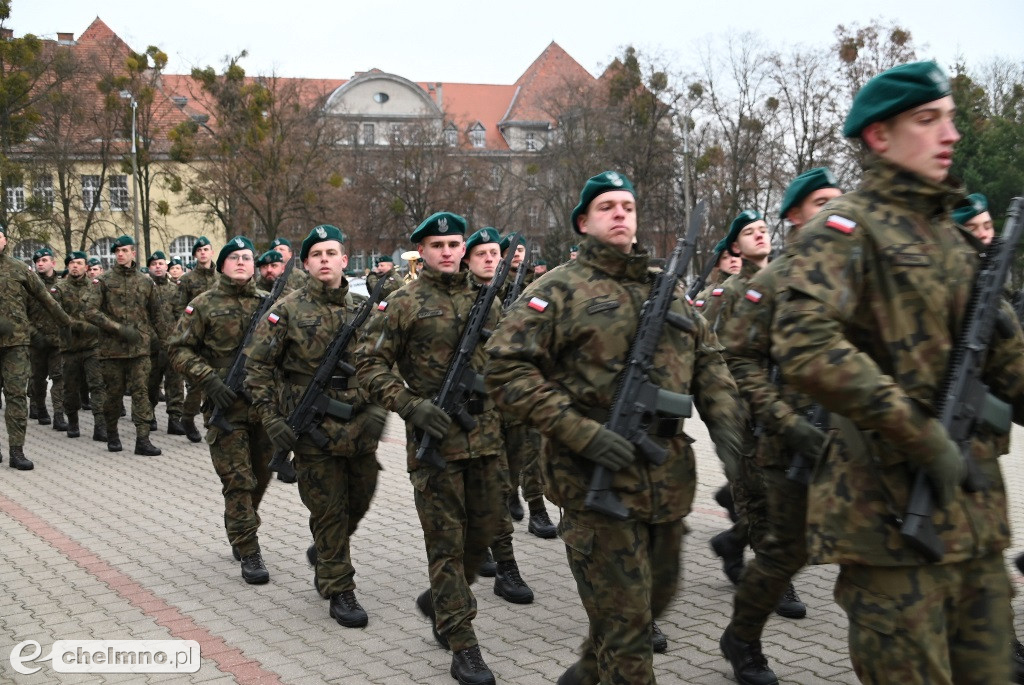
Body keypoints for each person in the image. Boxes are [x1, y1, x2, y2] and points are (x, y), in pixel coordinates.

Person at [772, 60, 1024, 685]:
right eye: (928, 119)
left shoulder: (955, 241)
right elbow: (803, 343)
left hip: (975, 523)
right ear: (880, 136)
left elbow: (1008, 365)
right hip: (887, 525)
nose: (951, 135)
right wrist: (920, 433)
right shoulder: (844, 231)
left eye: (950, 119)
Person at [485, 171, 746, 684]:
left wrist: (732, 439)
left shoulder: (665, 289)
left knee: (646, 608)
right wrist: (581, 431)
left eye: (628, 204)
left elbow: (710, 362)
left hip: (665, 482)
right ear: (583, 222)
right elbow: (503, 369)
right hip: (591, 484)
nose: (621, 213)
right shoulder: (557, 290)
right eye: (607, 206)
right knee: (629, 634)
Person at [355, 212, 505, 685]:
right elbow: (368, 364)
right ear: (420, 251)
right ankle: (463, 645)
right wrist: (409, 404)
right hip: (434, 445)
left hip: (485, 440)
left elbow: (502, 362)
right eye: (436, 244)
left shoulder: (488, 300)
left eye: (454, 243)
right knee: (446, 546)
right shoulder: (403, 302)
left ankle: (440, 602)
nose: (447, 251)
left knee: (481, 544)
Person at [717, 167, 842, 685]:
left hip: (852, 441)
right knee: (783, 551)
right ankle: (742, 637)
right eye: (820, 203)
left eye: (838, 199)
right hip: (788, 442)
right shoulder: (769, 285)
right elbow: (737, 361)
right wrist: (786, 422)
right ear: (795, 216)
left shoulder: (858, 275)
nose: (834, 210)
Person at [247, 225, 386, 623]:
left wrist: (381, 407)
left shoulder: (365, 307)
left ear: (345, 260)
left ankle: (325, 552)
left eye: (332, 253)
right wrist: (271, 419)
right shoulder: (287, 310)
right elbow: (256, 368)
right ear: (305, 263)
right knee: (328, 510)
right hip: (312, 429)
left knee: (359, 497)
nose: (325, 260)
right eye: (316, 254)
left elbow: (384, 361)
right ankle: (339, 586)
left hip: (359, 426)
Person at [170, 236, 275, 584]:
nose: (242, 262)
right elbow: (177, 349)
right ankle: (249, 549)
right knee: (238, 480)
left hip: (264, 406)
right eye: (235, 258)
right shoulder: (203, 304)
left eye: (248, 257)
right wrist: (209, 379)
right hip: (225, 408)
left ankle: (240, 524)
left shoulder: (270, 304)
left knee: (260, 475)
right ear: (223, 265)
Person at [462, 227, 536, 604]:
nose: (492, 260)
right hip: (471, 412)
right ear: (467, 258)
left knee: (505, 484)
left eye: (496, 253)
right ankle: (499, 562)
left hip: (508, 405)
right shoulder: (462, 298)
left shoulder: (511, 293)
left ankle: (498, 554)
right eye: (483, 254)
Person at [83, 235, 171, 456]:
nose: (120, 254)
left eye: (124, 250)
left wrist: (168, 345)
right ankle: (112, 433)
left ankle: (143, 439)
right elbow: (90, 311)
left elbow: (158, 316)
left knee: (141, 392)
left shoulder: (145, 282)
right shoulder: (103, 281)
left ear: (133, 253)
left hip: (140, 349)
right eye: (117, 251)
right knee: (113, 395)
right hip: (111, 351)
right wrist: (116, 328)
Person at [496, 232, 556, 539]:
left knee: (534, 446)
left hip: (530, 375)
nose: (516, 254)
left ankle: (538, 509)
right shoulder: (492, 289)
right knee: (509, 450)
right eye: (511, 251)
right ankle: (509, 493)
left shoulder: (537, 286)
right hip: (502, 382)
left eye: (520, 250)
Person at [0, 225, 72, 469]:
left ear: (5, 240)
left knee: (17, 396)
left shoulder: (19, 269)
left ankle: (16, 450)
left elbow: (45, 298)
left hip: (17, 344)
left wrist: (66, 322)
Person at [52, 251, 108, 441]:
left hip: (93, 347)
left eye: (79, 263)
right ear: (68, 266)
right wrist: (74, 325)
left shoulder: (95, 287)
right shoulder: (59, 289)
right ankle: (73, 422)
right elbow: (56, 314)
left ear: (86, 267)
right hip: (70, 348)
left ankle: (100, 426)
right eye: (72, 263)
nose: (75, 266)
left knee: (97, 386)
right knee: (70, 388)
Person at [177, 236, 218, 442]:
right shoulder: (187, 280)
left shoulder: (221, 277)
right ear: (195, 254)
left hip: (218, 338)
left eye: (206, 249)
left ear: (212, 252)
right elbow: (181, 309)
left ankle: (211, 422)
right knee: (195, 384)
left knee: (215, 382)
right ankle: (187, 417)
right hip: (196, 337)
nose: (203, 253)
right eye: (199, 250)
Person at [27, 247, 66, 430]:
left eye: (44, 260)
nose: (40, 264)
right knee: (38, 378)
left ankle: (59, 414)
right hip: (36, 341)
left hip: (58, 341)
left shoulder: (62, 285)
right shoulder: (29, 285)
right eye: (38, 261)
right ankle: (40, 408)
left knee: (59, 378)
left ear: (53, 263)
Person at [147, 251, 185, 435]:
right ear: (149, 268)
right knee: (150, 383)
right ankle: (149, 416)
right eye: (154, 264)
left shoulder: (175, 289)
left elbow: (181, 315)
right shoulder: (145, 288)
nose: (158, 266)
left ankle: (175, 419)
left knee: (175, 383)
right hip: (151, 346)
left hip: (172, 345)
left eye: (161, 263)